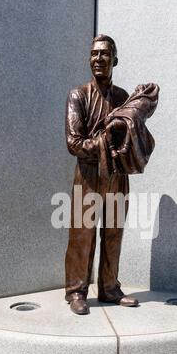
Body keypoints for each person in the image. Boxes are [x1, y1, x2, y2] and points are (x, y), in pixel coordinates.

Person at [65, 34, 139, 315]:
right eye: (94, 54)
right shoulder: (78, 95)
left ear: (114, 60)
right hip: (87, 177)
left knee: (113, 233)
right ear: (89, 60)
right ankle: (76, 291)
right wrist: (105, 141)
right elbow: (74, 142)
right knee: (82, 235)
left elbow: (131, 136)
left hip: (117, 176)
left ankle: (109, 287)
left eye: (104, 54)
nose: (98, 59)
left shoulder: (123, 98)